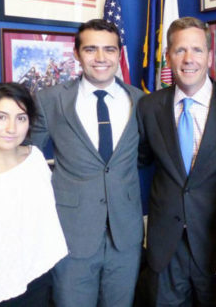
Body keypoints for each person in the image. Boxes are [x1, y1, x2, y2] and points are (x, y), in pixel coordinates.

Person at [30, 19, 144, 307]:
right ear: (77, 53)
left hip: (125, 235)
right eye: (91, 49)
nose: (101, 58)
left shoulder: (142, 101)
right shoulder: (50, 100)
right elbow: (27, 157)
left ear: (119, 54)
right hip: (71, 233)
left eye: (109, 49)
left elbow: (146, 155)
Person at [137, 16, 216, 306]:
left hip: (215, 243)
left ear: (210, 56)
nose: (189, 59)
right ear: (169, 56)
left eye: (197, 50)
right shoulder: (149, 107)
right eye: (180, 50)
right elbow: (140, 159)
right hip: (165, 245)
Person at [0, 83, 67, 307]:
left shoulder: (35, 158)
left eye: (21, 118)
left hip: (39, 278)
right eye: (0, 117)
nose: (12, 128)